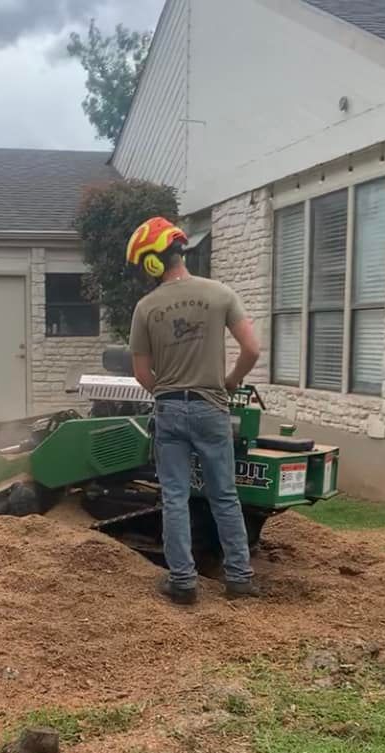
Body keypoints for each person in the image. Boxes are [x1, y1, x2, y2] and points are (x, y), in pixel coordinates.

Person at [127, 216, 261, 605]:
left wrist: (166, 392)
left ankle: (183, 582)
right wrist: (230, 380)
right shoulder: (220, 293)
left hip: (169, 411)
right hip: (211, 407)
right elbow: (252, 349)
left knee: (174, 496)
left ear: (152, 262)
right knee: (223, 494)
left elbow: (140, 373)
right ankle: (239, 578)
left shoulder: (145, 307)